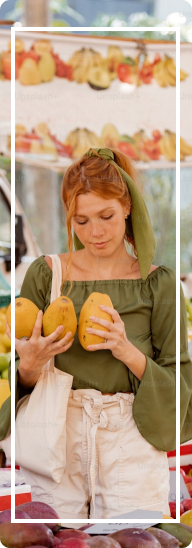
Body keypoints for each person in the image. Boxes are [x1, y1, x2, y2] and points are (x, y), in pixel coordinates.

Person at [1, 147, 192, 519]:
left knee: (136, 541)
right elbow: (19, 377)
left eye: (106, 215)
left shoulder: (159, 284)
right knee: (52, 540)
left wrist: (125, 349)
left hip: (130, 442)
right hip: (55, 437)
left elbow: (179, 384)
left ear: (128, 207)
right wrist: (30, 365)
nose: (95, 232)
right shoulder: (46, 274)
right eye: (81, 221)